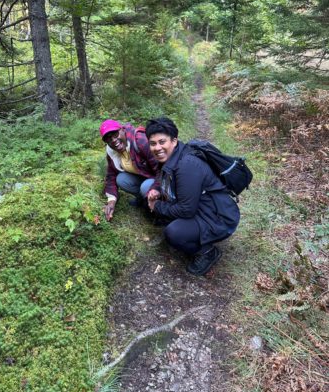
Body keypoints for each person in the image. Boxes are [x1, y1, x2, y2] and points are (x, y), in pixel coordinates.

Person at [146, 117, 240, 276]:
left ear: (174, 141)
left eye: (162, 142)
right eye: (153, 143)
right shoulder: (172, 155)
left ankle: (207, 252)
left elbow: (186, 210)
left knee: (174, 233)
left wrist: (157, 207)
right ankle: (192, 232)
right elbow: (160, 175)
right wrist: (156, 189)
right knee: (151, 197)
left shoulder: (186, 165)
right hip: (202, 206)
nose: (157, 147)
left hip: (218, 216)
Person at [100, 119, 159, 221]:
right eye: (108, 139)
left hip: (157, 178)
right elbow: (111, 175)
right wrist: (111, 201)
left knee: (145, 187)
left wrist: (155, 188)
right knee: (121, 179)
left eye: (115, 134)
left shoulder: (140, 140)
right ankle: (143, 199)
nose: (113, 140)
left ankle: (158, 206)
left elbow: (162, 169)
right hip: (142, 175)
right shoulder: (112, 151)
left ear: (122, 130)